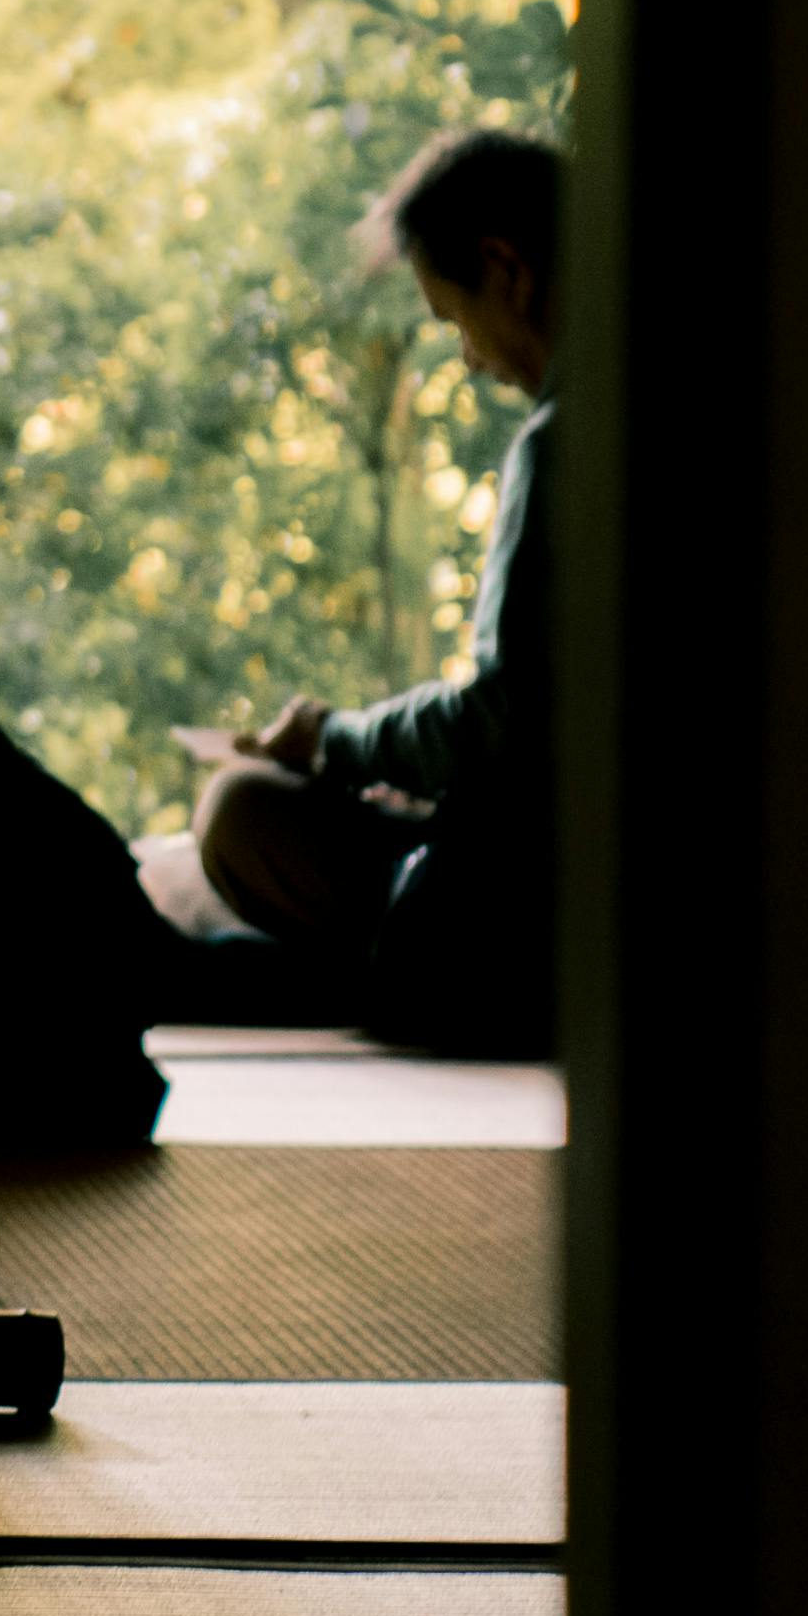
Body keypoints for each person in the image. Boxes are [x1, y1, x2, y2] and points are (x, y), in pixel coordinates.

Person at [149, 124, 562, 1058]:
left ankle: (339, 973)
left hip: (528, 895)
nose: (471, 358)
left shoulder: (562, 442)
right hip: (536, 857)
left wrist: (333, 740)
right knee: (213, 850)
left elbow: (502, 716)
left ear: (507, 269)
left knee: (238, 811)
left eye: (455, 320)